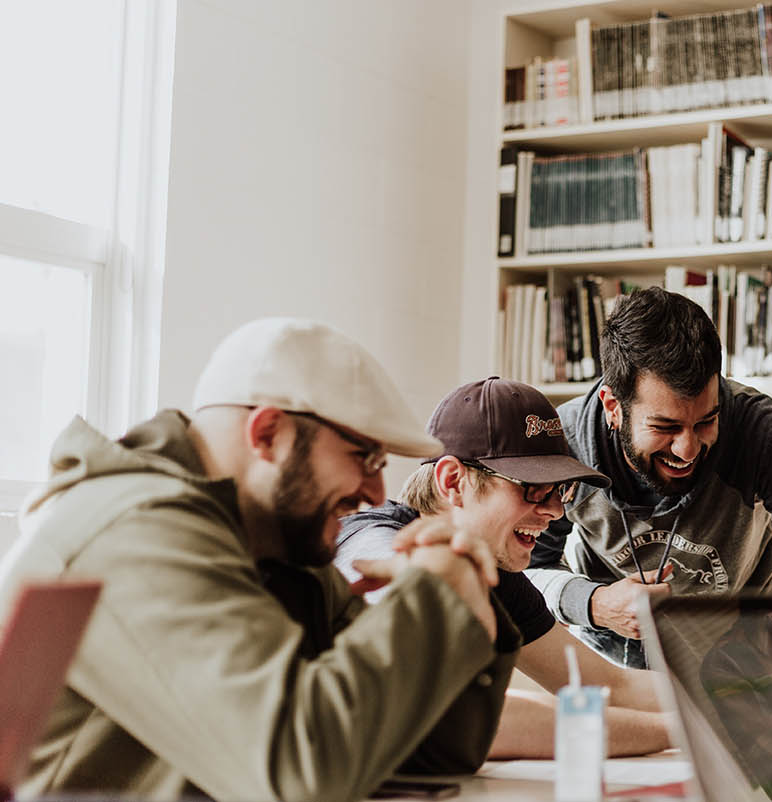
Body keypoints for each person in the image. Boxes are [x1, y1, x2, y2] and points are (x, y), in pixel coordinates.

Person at [0, 318, 518, 802]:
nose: (377, 491)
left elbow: (426, 753)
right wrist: (433, 597)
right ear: (268, 433)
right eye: (364, 457)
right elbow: (298, 773)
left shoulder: (277, 544)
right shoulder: (136, 532)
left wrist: (466, 596)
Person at [336, 377, 772, 759]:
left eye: (561, 492)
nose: (555, 511)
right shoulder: (375, 546)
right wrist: (721, 727)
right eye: (533, 489)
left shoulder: (496, 575)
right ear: (453, 481)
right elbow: (466, 715)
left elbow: (606, 684)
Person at [526, 287, 772, 709]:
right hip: (614, 679)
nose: (687, 449)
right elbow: (524, 573)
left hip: (743, 670)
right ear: (613, 406)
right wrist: (593, 603)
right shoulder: (563, 447)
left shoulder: (762, 434)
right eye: (665, 427)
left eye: (706, 421)